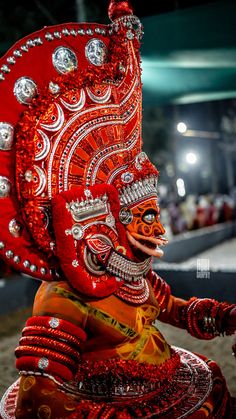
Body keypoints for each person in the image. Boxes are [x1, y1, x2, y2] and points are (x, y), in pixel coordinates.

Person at [0, 1, 235, 417]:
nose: (157, 226)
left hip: (163, 383)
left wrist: (228, 317)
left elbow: (176, 311)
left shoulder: (135, 280)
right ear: (108, 223)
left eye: (154, 212)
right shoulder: (62, 299)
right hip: (109, 406)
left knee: (214, 384)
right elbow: (36, 397)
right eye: (143, 216)